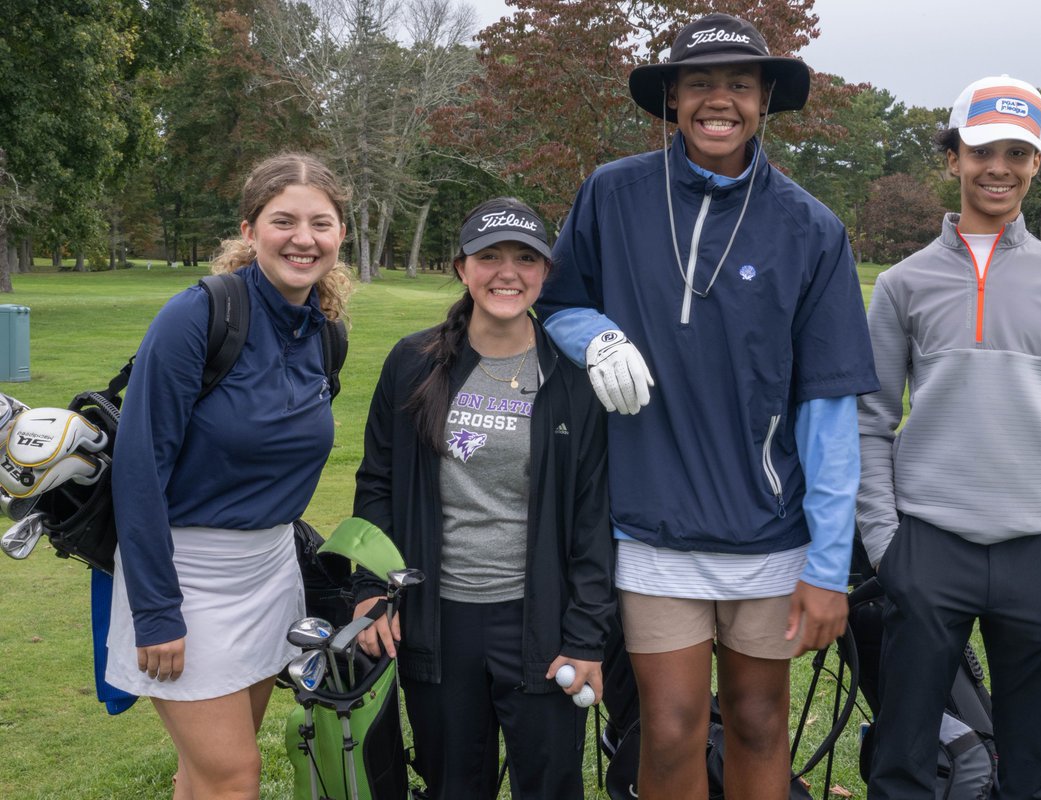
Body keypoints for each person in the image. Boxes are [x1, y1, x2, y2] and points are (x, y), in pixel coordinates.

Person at [535, 14, 879, 799]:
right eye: (699, 83)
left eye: (739, 84)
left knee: (758, 722)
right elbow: (558, 303)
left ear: (764, 100)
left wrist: (829, 568)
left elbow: (828, 411)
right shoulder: (612, 194)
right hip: (652, 524)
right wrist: (596, 338)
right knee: (668, 729)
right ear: (673, 98)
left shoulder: (812, 229)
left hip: (770, 532)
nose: (718, 100)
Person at [856, 75, 1041, 798]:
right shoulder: (903, 283)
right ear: (953, 158)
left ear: (1037, 164)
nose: (998, 168)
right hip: (928, 546)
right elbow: (871, 419)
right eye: (981, 151)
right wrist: (885, 543)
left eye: (1017, 153)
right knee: (903, 766)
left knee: (1034, 773)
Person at [351, 197, 615, 799]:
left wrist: (585, 636)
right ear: (462, 268)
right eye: (489, 256)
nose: (507, 273)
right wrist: (371, 589)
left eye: (526, 258)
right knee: (452, 784)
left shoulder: (571, 376)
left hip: (541, 621)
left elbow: (592, 515)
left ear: (545, 272)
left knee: (550, 786)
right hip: (437, 620)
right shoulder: (413, 363)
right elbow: (378, 484)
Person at [106, 153, 352, 799]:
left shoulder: (327, 333)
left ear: (340, 234)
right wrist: (157, 610)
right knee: (234, 776)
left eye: (320, 223)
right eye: (283, 221)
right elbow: (139, 469)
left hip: (270, 575)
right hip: (184, 578)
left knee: (205, 775)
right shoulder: (197, 316)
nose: (303, 238)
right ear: (249, 229)